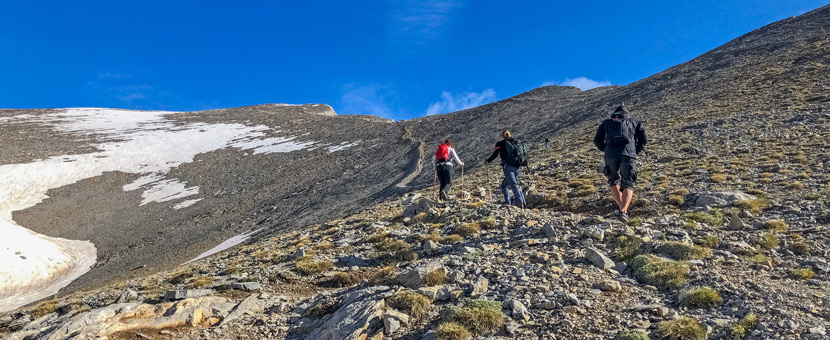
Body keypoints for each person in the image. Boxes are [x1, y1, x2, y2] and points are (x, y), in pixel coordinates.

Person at [593, 104, 648, 222]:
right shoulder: (634, 122)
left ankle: (621, 207)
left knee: (613, 180)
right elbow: (644, 139)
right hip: (628, 154)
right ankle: (623, 211)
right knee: (628, 182)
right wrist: (635, 150)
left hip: (610, 155)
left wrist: (606, 149)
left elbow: (597, 140)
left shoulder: (607, 123)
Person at [485, 130, 527, 207]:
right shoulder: (516, 142)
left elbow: (495, 154)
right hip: (518, 167)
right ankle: (508, 203)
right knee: (504, 185)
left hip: (508, 167)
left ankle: (519, 201)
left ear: (502, 136)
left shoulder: (500, 143)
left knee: (513, 184)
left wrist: (488, 160)